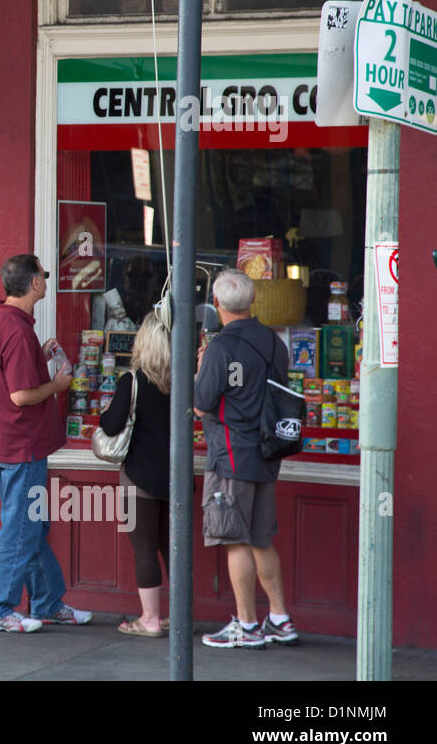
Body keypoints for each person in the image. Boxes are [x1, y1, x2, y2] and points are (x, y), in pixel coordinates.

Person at [0, 253, 91, 633]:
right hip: (21, 447)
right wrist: (58, 386)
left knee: (32, 527)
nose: (46, 279)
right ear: (35, 284)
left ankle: (46, 602)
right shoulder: (17, 330)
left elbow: (9, 376)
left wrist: (37, 357)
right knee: (21, 528)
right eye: (43, 274)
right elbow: (21, 396)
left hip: (4, 443)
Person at [194, 269, 298, 649]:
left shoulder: (220, 347)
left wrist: (203, 366)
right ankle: (280, 618)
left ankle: (248, 626)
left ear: (217, 304)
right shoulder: (274, 343)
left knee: (235, 540)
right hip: (268, 454)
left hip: (230, 456)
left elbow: (201, 403)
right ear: (252, 301)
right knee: (261, 540)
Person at [98, 312, 172, 637]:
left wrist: (105, 412)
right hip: (175, 479)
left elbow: (111, 425)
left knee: (144, 547)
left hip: (139, 478)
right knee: (173, 548)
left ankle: (150, 619)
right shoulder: (182, 381)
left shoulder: (132, 381)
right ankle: (180, 615)